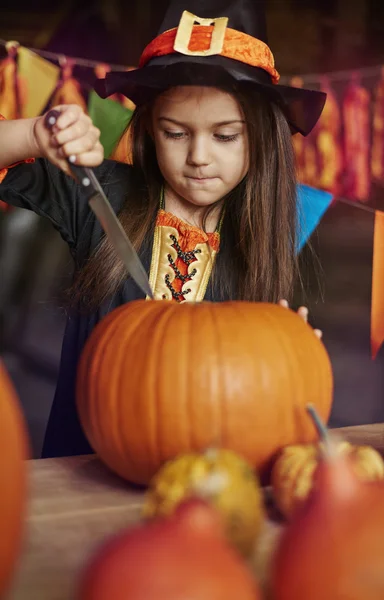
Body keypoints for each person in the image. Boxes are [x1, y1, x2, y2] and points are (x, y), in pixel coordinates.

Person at [0, 0, 326, 458]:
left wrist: (290, 356)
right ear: (150, 130)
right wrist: (34, 135)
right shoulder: (99, 193)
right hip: (79, 479)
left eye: (225, 135)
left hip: (204, 486)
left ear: (262, 136)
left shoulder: (264, 236)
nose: (198, 156)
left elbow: (254, 393)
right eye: (176, 132)